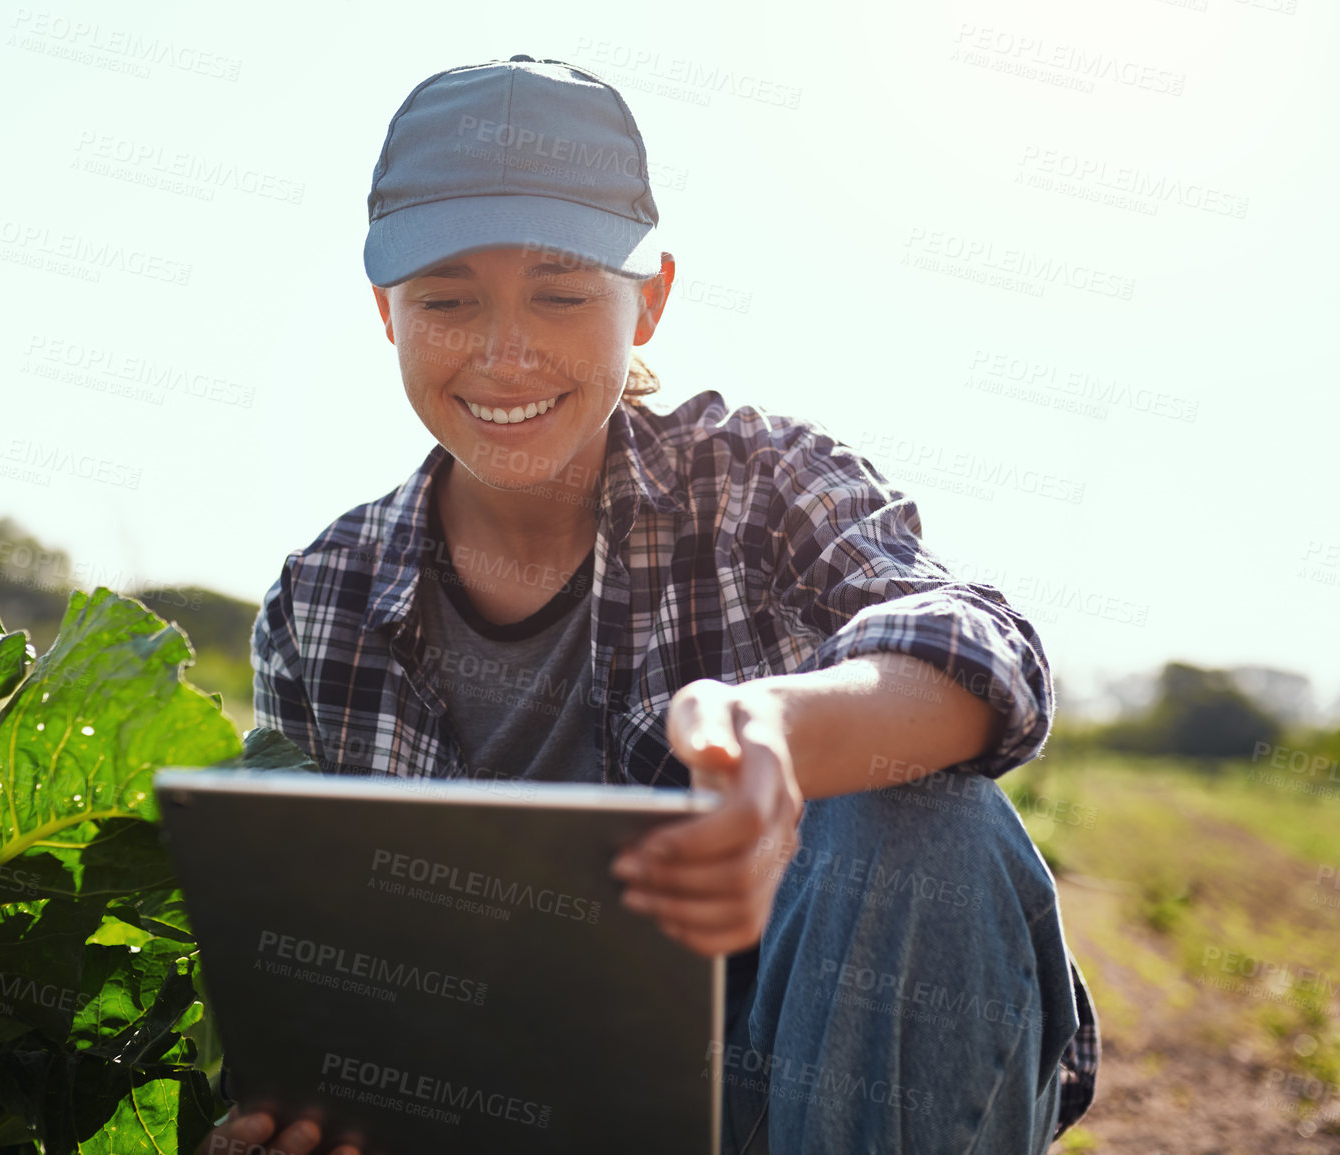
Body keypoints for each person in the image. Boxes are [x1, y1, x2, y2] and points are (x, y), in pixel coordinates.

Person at [200, 55, 1099, 1155]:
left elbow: (983, 647)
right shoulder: (324, 599)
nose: (504, 350)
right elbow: (305, 957)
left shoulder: (761, 482)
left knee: (921, 817)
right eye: (446, 298)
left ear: (652, 300)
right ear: (387, 311)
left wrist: (787, 734)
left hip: (799, 1095)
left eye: (562, 293)